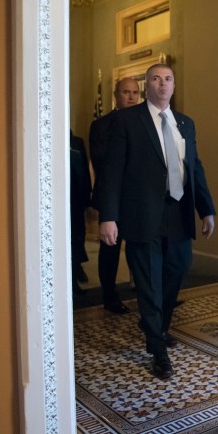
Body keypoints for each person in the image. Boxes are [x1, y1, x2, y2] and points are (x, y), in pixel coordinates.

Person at [96, 63, 216, 379]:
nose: (162, 84)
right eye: (155, 79)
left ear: (174, 86)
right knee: (149, 279)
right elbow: (112, 171)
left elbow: (195, 168)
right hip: (140, 213)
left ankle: (156, 325)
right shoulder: (126, 121)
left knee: (178, 268)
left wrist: (207, 208)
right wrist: (108, 216)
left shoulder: (185, 124)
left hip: (178, 211)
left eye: (168, 79)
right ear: (146, 85)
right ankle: (157, 348)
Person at [89, 77, 141, 314]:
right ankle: (110, 297)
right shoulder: (101, 125)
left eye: (135, 92)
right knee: (110, 249)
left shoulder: (146, 122)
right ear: (115, 95)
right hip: (112, 198)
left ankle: (146, 294)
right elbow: (103, 162)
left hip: (138, 199)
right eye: (125, 92)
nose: (131, 97)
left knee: (141, 248)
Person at [70, 130, 92, 296]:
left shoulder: (77, 142)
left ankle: (77, 266)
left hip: (77, 198)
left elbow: (84, 171)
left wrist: (87, 198)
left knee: (78, 235)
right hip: (62, 198)